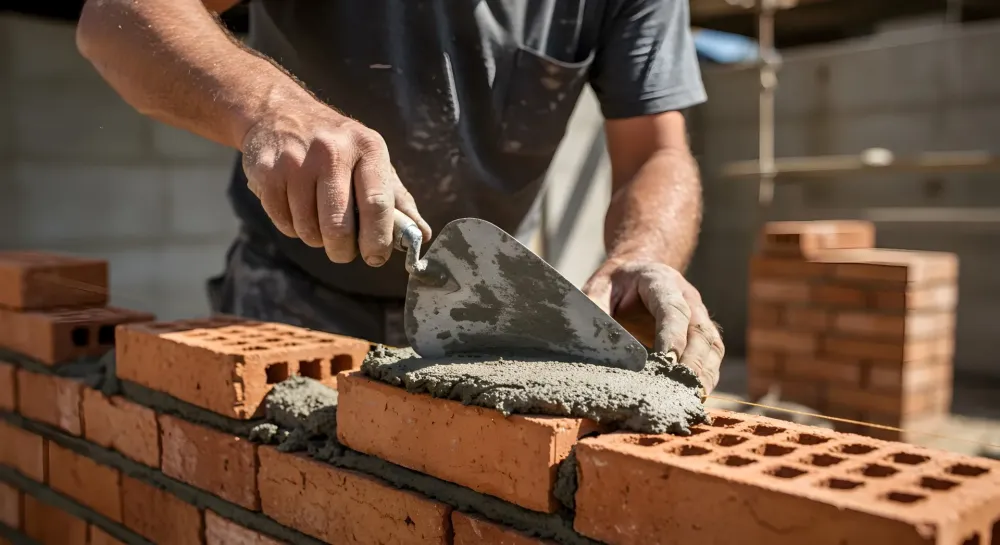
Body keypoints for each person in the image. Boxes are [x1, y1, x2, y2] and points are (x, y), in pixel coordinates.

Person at [76, 0, 723, 393]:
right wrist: (272, 108)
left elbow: (655, 150)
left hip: (489, 309)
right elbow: (114, 20)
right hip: (292, 297)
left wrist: (644, 252)